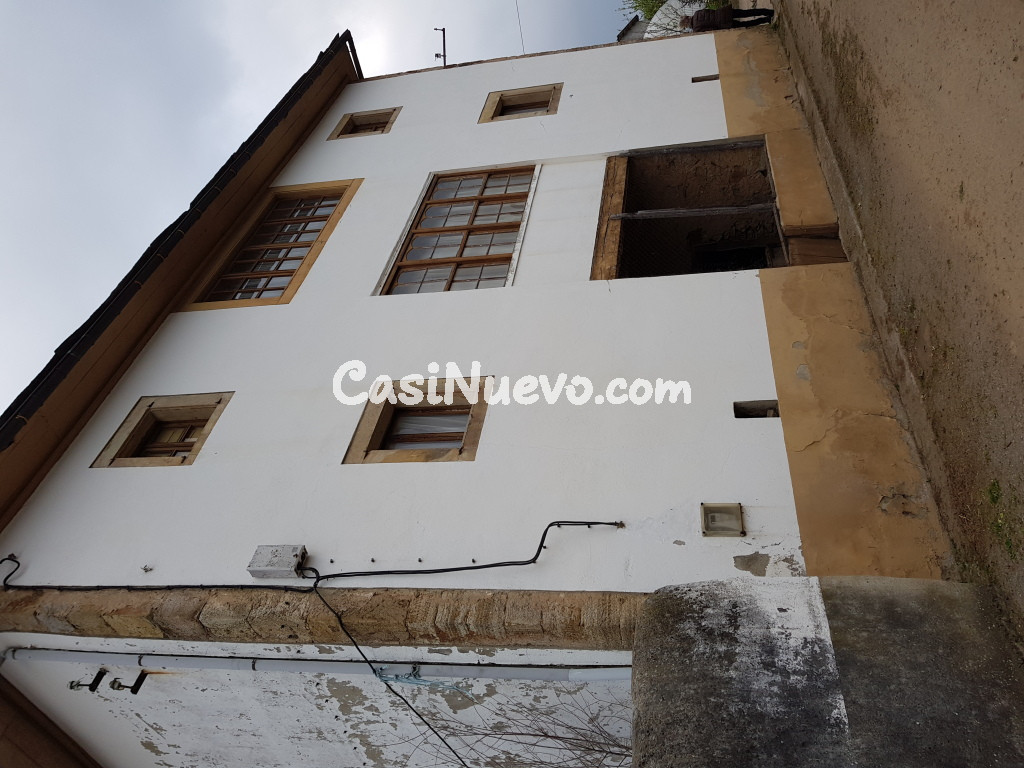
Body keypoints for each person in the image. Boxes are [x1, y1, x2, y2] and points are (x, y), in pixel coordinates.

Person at [680, 7, 775, 32]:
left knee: (745, 25)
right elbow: (710, 11)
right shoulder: (697, 12)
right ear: (687, 17)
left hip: (724, 23)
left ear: (686, 25)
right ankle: (769, 11)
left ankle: (765, 20)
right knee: (747, 12)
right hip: (724, 12)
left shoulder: (696, 29)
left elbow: (711, 30)